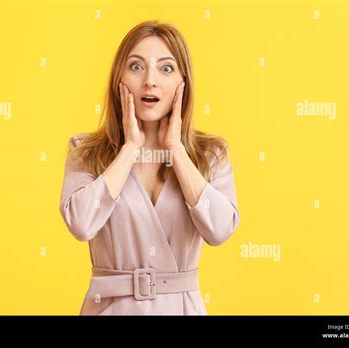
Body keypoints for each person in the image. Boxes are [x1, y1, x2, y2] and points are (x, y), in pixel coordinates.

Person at [59, 20, 240, 315]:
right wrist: (130, 149)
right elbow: (80, 224)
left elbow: (220, 230)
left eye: (166, 68)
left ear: (184, 82)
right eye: (136, 66)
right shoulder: (85, 152)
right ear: (119, 78)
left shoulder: (210, 155)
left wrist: (176, 150)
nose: (150, 81)